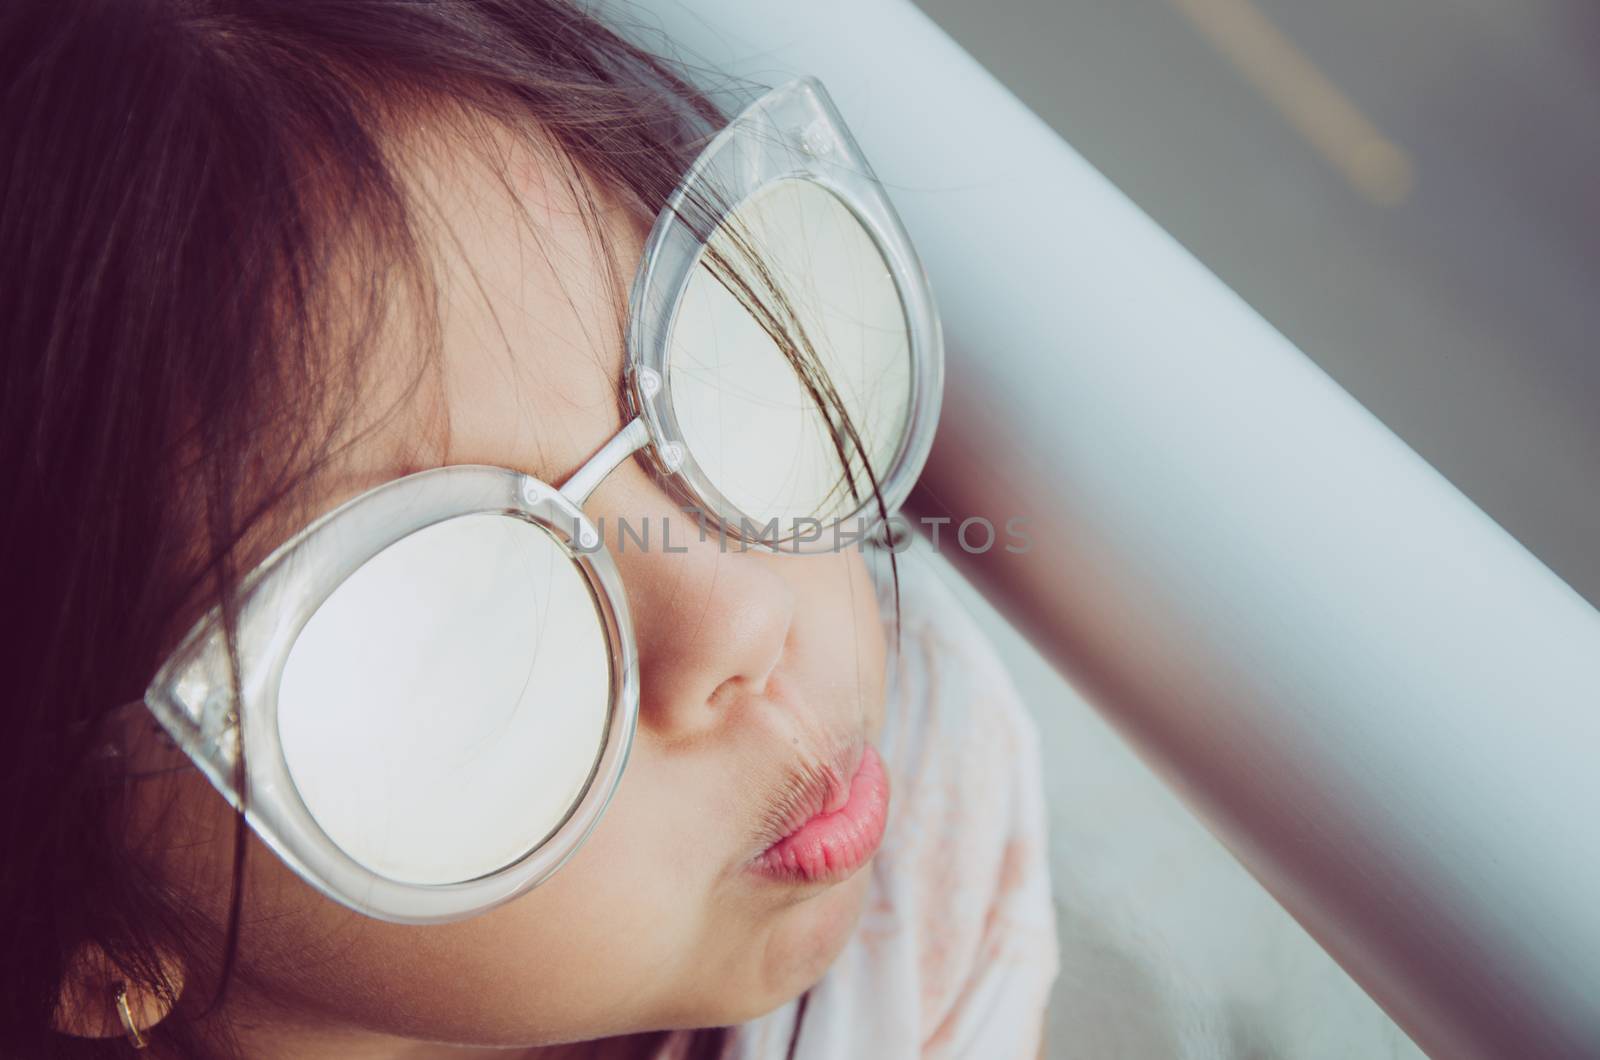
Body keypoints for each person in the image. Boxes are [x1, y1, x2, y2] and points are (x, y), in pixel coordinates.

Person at [0, 2, 1058, 1056]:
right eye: (464, 614)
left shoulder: (930, 815)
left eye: (711, 358)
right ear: (109, 939)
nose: (745, 609)